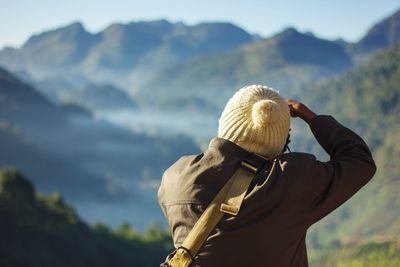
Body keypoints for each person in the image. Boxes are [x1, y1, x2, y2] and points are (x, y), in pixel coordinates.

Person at [158, 85, 376, 267]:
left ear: (226, 122)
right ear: (281, 140)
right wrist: (311, 117)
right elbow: (360, 162)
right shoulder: (292, 180)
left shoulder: (176, 177)